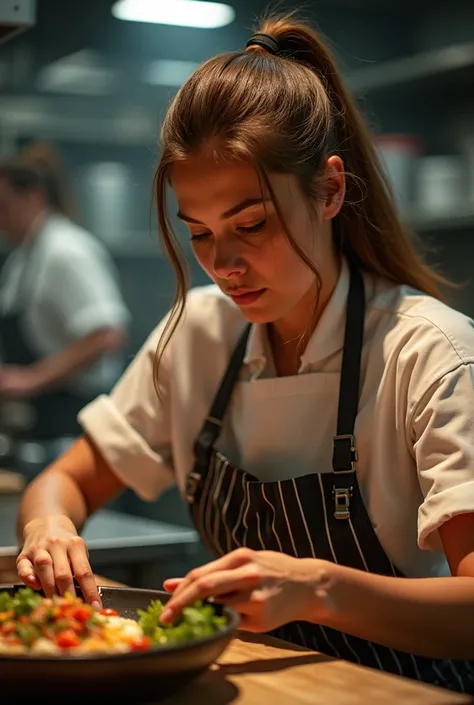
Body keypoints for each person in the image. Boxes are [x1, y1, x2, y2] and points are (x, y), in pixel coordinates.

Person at [14, 15, 474, 693]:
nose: (222, 265)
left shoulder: (428, 352)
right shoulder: (200, 333)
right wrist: (49, 524)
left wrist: (315, 585)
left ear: (331, 189)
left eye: (250, 224)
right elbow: (66, 480)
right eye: (198, 232)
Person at [0, 143, 130, 465]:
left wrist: (31, 379)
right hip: (39, 430)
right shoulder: (24, 258)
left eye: (3, 206)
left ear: (34, 197)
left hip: (75, 428)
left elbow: (107, 334)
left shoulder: (66, 251)